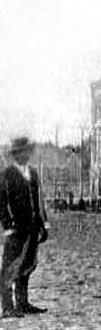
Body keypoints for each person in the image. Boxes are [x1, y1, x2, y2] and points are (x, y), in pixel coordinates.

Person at [0, 136, 49, 318]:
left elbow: (38, 201)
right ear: (15, 154)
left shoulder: (33, 173)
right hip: (16, 229)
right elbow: (1, 202)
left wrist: (43, 225)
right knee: (9, 268)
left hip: (33, 227)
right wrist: (8, 224)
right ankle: (7, 307)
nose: (25, 155)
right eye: (21, 152)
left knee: (27, 264)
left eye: (27, 151)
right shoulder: (7, 174)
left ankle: (22, 303)